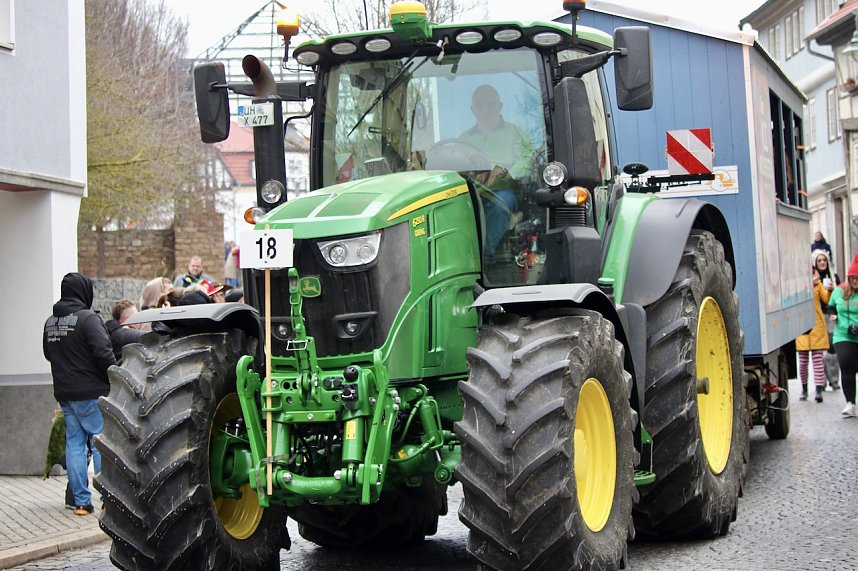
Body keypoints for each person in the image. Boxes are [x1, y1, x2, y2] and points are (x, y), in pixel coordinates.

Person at [43, 272, 116, 515]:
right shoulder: (88, 319)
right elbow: (103, 353)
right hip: (92, 392)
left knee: (74, 444)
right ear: (84, 291)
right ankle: (108, 498)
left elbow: (48, 354)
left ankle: (81, 502)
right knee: (99, 444)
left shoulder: (50, 322)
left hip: (65, 393)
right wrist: (115, 376)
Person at [458, 84, 534, 258]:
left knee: (500, 206)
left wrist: (506, 171)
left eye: (490, 105)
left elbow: (529, 160)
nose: (486, 110)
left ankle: (484, 258)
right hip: (472, 191)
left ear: (500, 106)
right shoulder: (463, 139)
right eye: (480, 105)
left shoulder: (516, 133)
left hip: (505, 190)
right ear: (473, 109)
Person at [796, 254, 833, 402]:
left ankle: (818, 390)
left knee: (817, 360)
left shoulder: (818, 285)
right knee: (803, 361)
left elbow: (827, 299)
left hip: (817, 326)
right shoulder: (798, 287)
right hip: (802, 327)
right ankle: (804, 390)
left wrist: (829, 289)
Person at [828, 254, 858, 417]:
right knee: (847, 366)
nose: (856, 281)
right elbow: (831, 306)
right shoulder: (839, 291)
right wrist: (833, 315)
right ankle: (850, 403)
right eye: (853, 278)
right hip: (843, 334)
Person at [814, 250, 841, 390]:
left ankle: (834, 379)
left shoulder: (834, 277)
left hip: (831, 316)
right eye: (819, 260)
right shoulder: (813, 280)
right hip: (819, 317)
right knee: (820, 351)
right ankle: (822, 380)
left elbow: (841, 296)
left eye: (824, 260)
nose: (822, 262)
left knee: (832, 348)